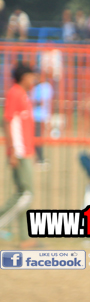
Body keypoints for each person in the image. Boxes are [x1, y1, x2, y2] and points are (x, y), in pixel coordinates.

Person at [0, 64, 38, 246]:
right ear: (24, 77)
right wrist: (13, 151)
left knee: (24, 195)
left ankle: (25, 238)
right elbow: (7, 121)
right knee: (26, 194)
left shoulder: (23, 94)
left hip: (26, 151)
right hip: (20, 151)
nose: (33, 80)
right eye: (31, 76)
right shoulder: (15, 93)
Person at [30, 73, 54, 164]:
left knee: (38, 138)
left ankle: (40, 158)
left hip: (39, 117)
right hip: (36, 116)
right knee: (37, 138)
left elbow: (42, 101)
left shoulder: (45, 87)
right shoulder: (37, 87)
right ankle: (39, 158)